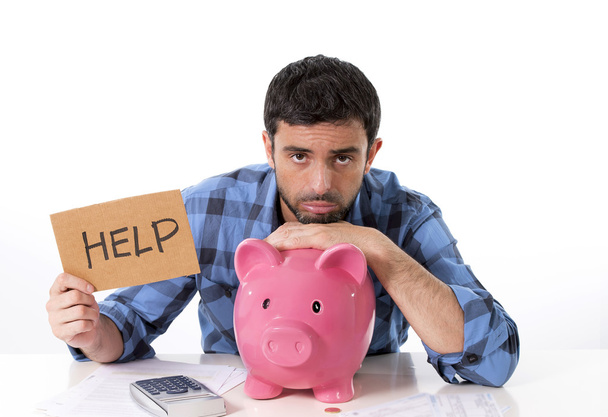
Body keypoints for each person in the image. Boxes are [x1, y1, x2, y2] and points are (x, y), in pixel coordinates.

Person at [47, 55, 519, 387]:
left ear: (371, 154)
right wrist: (90, 332)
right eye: (297, 155)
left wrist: (375, 246)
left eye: (342, 158)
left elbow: (493, 361)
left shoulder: (407, 216)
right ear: (268, 149)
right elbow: (126, 327)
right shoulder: (205, 210)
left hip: (364, 400)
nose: (319, 184)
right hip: (247, 400)